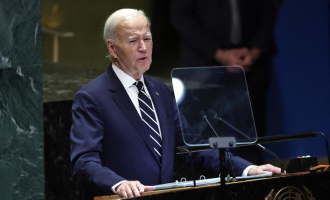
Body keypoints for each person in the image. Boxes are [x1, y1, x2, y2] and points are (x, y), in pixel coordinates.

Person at [70, 8, 281, 198]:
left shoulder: (161, 91)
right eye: (133, 41)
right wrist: (118, 184)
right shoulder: (92, 97)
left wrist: (246, 169)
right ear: (113, 48)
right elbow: (84, 162)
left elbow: (193, 146)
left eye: (148, 38)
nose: (143, 47)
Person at [170, 0, 279, 165]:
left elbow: (269, 10)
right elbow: (181, 15)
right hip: (203, 66)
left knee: (252, 139)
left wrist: (256, 50)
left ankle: (253, 182)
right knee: (206, 140)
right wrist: (218, 53)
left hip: (252, 67)